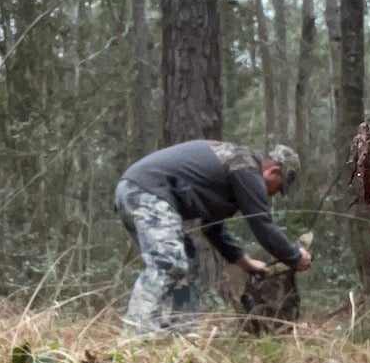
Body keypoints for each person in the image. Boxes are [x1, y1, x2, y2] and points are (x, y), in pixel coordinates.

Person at [115, 139, 312, 333]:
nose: (274, 194)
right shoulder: (245, 167)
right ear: (273, 172)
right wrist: (295, 256)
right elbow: (262, 224)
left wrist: (243, 262)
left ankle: (179, 332)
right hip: (146, 192)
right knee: (168, 263)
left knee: (190, 261)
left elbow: (213, 228)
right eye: (279, 187)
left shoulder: (234, 170)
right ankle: (135, 332)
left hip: (136, 191)